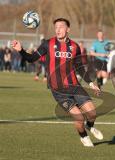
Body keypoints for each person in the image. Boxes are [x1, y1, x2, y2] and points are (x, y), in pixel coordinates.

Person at [11, 18, 103, 147]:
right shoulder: (47, 44)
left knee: (92, 113)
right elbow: (31, 59)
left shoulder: (75, 47)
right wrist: (21, 50)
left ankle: (90, 126)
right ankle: (84, 137)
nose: (58, 29)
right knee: (79, 118)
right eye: (56, 27)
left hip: (75, 86)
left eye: (61, 26)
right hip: (59, 90)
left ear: (68, 29)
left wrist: (92, 84)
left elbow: (80, 68)